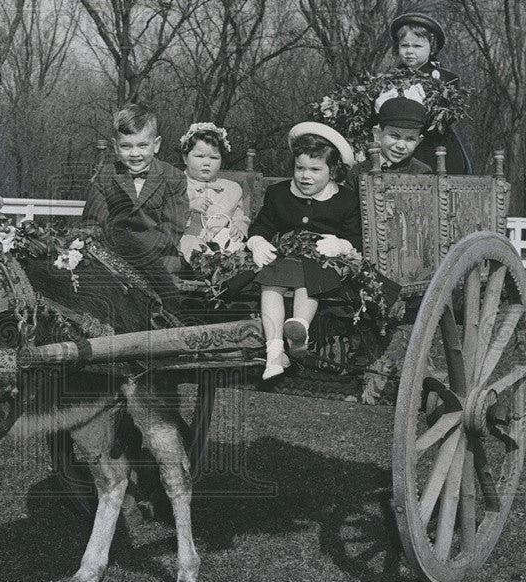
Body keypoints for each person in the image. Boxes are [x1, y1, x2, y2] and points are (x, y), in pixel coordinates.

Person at [246, 123, 360, 380]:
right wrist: (257, 241)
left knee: (306, 276)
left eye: (315, 170)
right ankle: (275, 351)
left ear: (332, 172)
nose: (305, 176)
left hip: (324, 262)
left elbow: (356, 237)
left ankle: (300, 331)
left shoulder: (346, 199)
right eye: (300, 168)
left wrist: (342, 245)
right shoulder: (279, 194)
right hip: (287, 257)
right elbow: (262, 225)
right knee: (270, 281)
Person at [81, 103, 189, 308]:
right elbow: (92, 223)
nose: (135, 154)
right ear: (115, 146)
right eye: (126, 146)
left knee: (162, 304)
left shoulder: (173, 178)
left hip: (159, 258)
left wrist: (135, 253)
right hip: (113, 257)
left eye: (142, 145)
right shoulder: (106, 176)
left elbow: (172, 229)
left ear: (156, 145)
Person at [389, 12, 472, 174]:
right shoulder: (388, 80)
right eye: (404, 46)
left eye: (417, 46)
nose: (410, 51)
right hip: (398, 149)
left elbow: (444, 120)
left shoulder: (447, 80)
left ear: (432, 48)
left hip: (436, 149)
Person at [176, 122, 249, 261]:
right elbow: (165, 218)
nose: (206, 163)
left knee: (235, 250)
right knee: (192, 245)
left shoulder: (231, 189)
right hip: (185, 244)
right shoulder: (176, 184)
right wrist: (188, 206)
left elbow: (239, 217)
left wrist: (239, 227)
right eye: (199, 156)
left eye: (214, 158)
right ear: (185, 158)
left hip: (220, 245)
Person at [346, 94, 434, 193]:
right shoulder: (358, 173)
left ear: (418, 141)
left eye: (410, 139)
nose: (401, 146)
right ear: (377, 133)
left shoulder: (422, 173)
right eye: (395, 136)